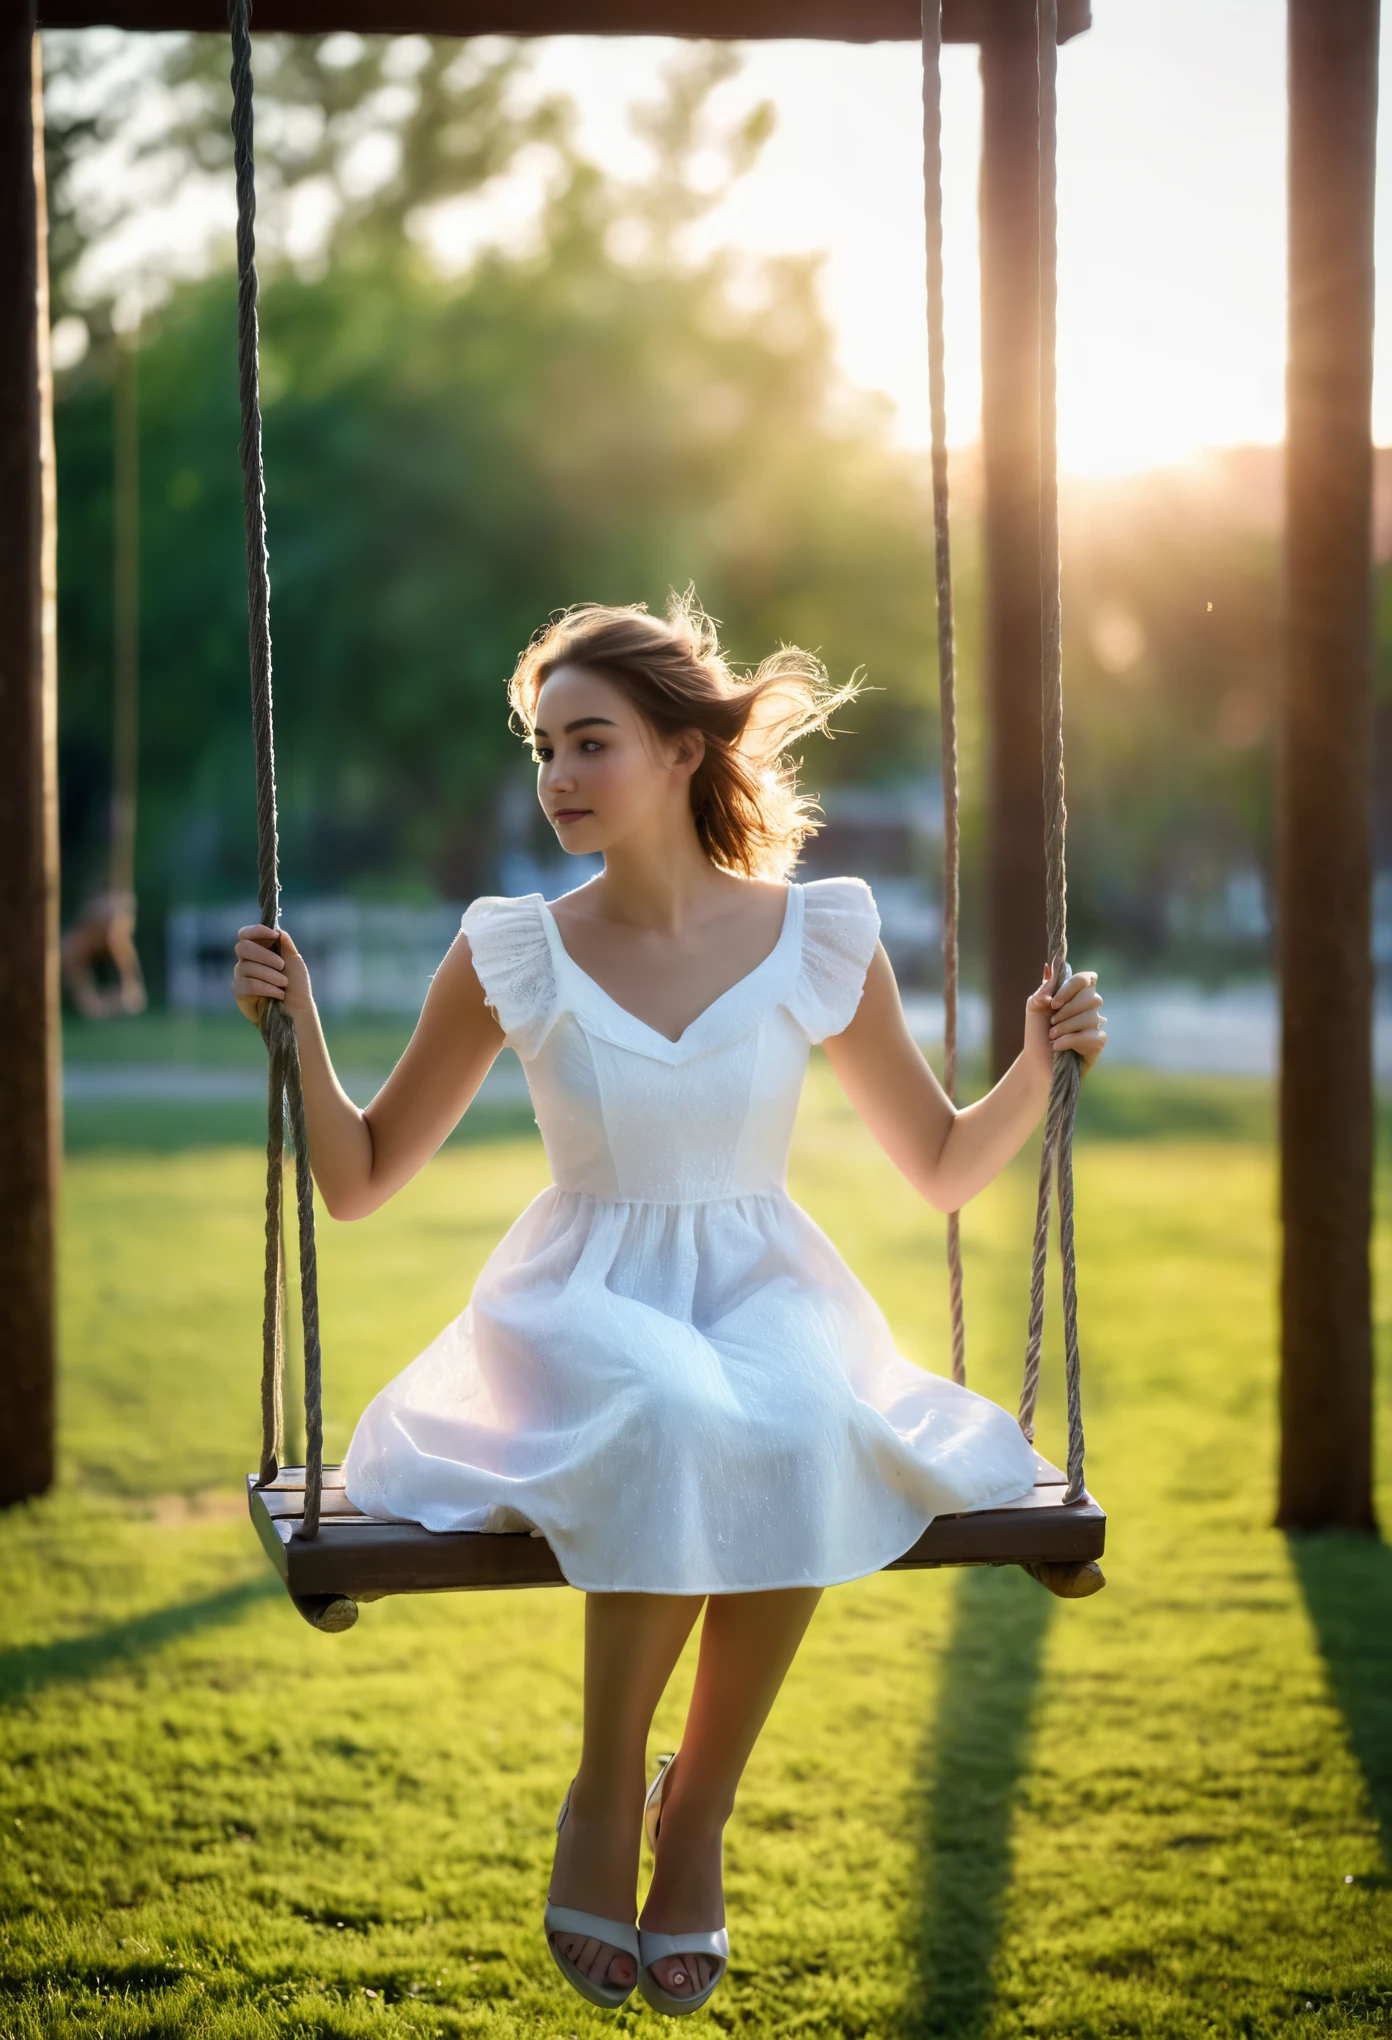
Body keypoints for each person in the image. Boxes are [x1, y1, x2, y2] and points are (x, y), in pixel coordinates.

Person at [232, 594, 1106, 2017]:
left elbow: (942, 1163)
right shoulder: (513, 947)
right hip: (580, 1298)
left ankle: (690, 1814)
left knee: (807, 1413)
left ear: (685, 751)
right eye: (544, 749)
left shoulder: (816, 936)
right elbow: (363, 1176)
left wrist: (1036, 1064)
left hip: (764, 1280)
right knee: (673, 1403)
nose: (560, 778)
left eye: (592, 743)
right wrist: (300, 1034)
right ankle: (600, 1790)